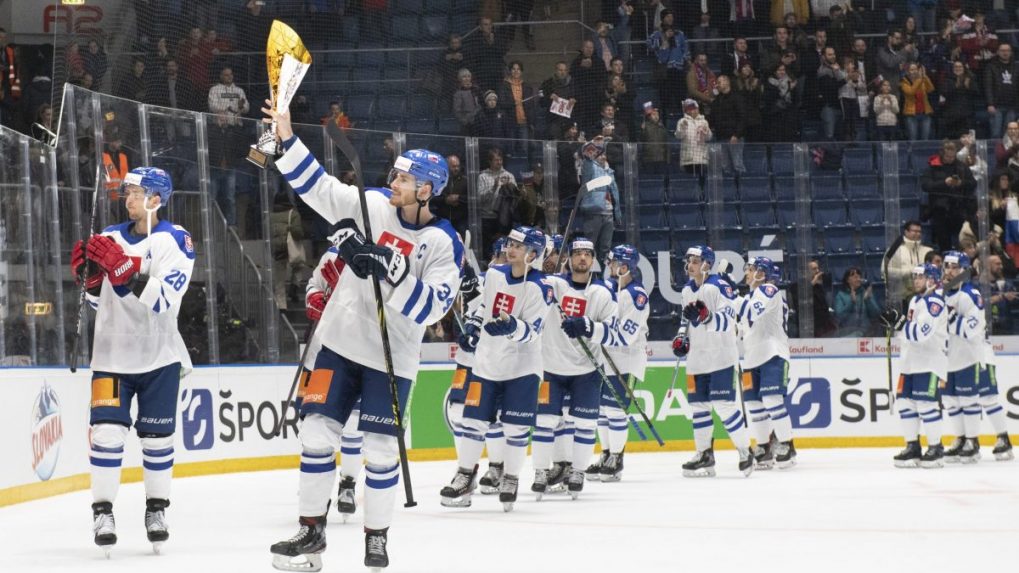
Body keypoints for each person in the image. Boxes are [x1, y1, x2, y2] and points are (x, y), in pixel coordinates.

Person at [264, 102, 463, 570]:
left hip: (390, 359)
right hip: (337, 344)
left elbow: (434, 309)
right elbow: (318, 188)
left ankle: (376, 537)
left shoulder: (442, 242)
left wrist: (392, 272)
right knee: (315, 435)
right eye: (393, 175)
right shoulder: (373, 206)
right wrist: (287, 137)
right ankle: (311, 532)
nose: (392, 182)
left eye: (402, 179)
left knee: (377, 450)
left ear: (426, 190)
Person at [72, 167, 195, 556]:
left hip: (159, 358)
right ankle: (102, 512)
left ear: (156, 199)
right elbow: (97, 303)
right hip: (110, 358)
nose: (127, 199)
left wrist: (125, 273)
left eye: (136, 192)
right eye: (126, 192)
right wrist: (89, 284)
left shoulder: (176, 241)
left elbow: (163, 300)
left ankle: (156, 511)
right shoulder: (107, 238)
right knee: (107, 438)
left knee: (157, 442)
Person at [440, 226, 553, 511]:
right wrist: (474, 329)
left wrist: (513, 327)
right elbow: (482, 308)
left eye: (518, 246)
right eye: (511, 244)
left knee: (515, 428)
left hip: (522, 369)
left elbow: (534, 330)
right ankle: (465, 476)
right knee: (473, 423)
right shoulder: (493, 275)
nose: (510, 249)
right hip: (486, 365)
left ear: (533, 254)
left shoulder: (541, 288)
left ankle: (511, 478)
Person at [533, 238, 618, 499]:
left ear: (593, 260)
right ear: (568, 258)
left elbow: (614, 335)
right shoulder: (553, 286)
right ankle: (539, 471)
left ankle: (578, 471)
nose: (582, 258)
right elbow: (529, 280)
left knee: (585, 423)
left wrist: (588, 327)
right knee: (544, 422)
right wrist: (544, 255)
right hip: (551, 368)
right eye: (577, 253)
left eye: (587, 254)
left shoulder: (603, 292)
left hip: (586, 371)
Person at [672, 245, 754, 477]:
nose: (690, 265)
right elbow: (684, 320)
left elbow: (728, 319)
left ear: (707, 264)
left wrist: (706, 316)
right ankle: (704, 455)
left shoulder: (720, 286)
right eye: (689, 260)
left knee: (725, 407)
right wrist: (681, 337)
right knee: (699, 408)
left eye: (695, 261)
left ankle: (745, 451)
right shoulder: (687, 290)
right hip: (697, 359)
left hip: (721, 357)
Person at [300, 249, 364, 523]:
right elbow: (314, 283)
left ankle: (347, 484)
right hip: (320, 355)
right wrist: (314, 297)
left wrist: (343, 295)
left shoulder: (379, 255)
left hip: (358, 355)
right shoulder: (332, 253)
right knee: (312, 429)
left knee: (352, 427)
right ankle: (317, 491)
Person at [585, 244, 649, 481]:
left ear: (623, 266)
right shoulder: (613, 290)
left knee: (614, 410)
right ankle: (606, 454)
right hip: (606, 358)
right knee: (602, 411)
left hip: (625, 359)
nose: (608, 266)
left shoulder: (636, 295)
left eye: (612, 263)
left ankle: (617, 458)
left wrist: (595, 332)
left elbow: (626, 336)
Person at [881, 263, 947, 468]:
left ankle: (936, 447)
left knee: (926, 405)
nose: (916, 280)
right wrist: (896, 325)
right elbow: (908, 333)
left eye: (921, 276)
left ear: (932, 280)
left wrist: (900, 323)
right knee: (905, 403)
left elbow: (921, 334)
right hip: (909, 363)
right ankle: (913, 446)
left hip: (928, 363)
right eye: (915, 276)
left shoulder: (935, 302)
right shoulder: (915, 300)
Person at [736, 257, 794, 470]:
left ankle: (786, 444)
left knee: (772, 400)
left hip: (773, 354)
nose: (748, 273)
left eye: (751, 269)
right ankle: (763, 447)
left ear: (762, 273)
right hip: (752, 358)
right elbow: (740, 328)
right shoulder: (749, 296)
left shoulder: (770, 290)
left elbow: (751, 311)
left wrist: (729, 296)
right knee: (754, 405)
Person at [939, 251, 986, 464]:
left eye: (954, 267)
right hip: (946, 359)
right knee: (951, 401)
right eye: (947, 267)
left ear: (964, 271)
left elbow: (972, 329)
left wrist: (949, 319)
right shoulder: (940, 294)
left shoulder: (970, 294)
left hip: (967, 356)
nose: (949, 271)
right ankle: (960, 439)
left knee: (968, 401)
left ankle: (972, 441)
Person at [920, 140, 977, 252]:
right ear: (942, 154)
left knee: (961, 242)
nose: (950, 159)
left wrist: (961, 183)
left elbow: (973, 183)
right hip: (939, 210)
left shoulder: (961, 167)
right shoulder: (932, 167)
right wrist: (944, 183)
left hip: (959, 210)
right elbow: (926, 185)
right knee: (944, 243)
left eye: (952, 156)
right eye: (948, 156)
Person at [579, 138, 622, 263]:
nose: (603, 157)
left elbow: (615, 194)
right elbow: (587, 155)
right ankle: (588, 277)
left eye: (604, 154)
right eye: (599, 154)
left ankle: (601, 278)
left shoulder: (610, 171)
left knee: (605, 249)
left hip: (608, 214)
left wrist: (617, 214)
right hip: (594, 213)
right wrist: (592, 145)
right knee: (589, 247)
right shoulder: (589, 167)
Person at [834, 266, 881, 337]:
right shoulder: (841, 295)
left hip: (866, 333)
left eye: (858, 274)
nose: (857, 276)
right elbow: (839, 316)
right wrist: (851, 302)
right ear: (847, 280)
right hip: (847, 332)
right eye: (852, 274)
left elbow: (876, 314)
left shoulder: (866, 293)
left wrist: (868, 300)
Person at [984, 43, 1019, 140]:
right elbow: (988, 86)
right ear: (998, 52)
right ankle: (997, 155)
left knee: (1010, 135)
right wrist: (990, 103)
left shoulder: (1016, 67)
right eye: (1003, 51)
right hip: (996, 105)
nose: (1005, 53)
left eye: (1007, 50)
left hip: (1012, 106)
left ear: (1011, 53)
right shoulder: (991, 67)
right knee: (996, 133)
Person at [674, 99, 712, 175]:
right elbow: (678, 136)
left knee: (702, 178)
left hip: (701, 157)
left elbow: (709, 137)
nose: (692, 111)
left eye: (694, 108)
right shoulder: (682, 121)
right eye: (689, 109)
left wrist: (706, 131)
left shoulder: (704, 121)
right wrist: (683, 127)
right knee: (690, 179)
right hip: (688, 158)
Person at [900, 63, 934, 141]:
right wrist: (919, 80)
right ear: (907, 71)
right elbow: (911, 92)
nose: (914, 71)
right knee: (913, 139)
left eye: (915, 69)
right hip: (911, 114)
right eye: (912, 70)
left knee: (925, 138)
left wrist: (925, 76)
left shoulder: (922, 80)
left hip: (925, 113)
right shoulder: (903, 82)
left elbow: (931, 89)